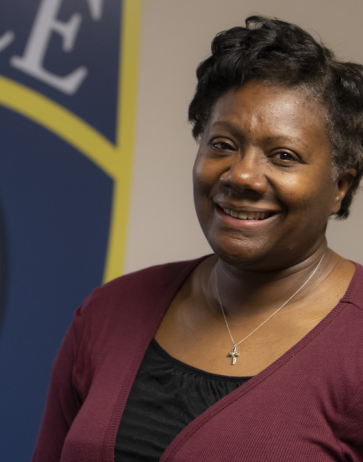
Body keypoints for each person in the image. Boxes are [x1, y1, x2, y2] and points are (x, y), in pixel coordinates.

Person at [33, 16, 363, 461]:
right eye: (223, 144)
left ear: (339, 187)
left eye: (283, 156)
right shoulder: (107, 314)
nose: (242, 175)